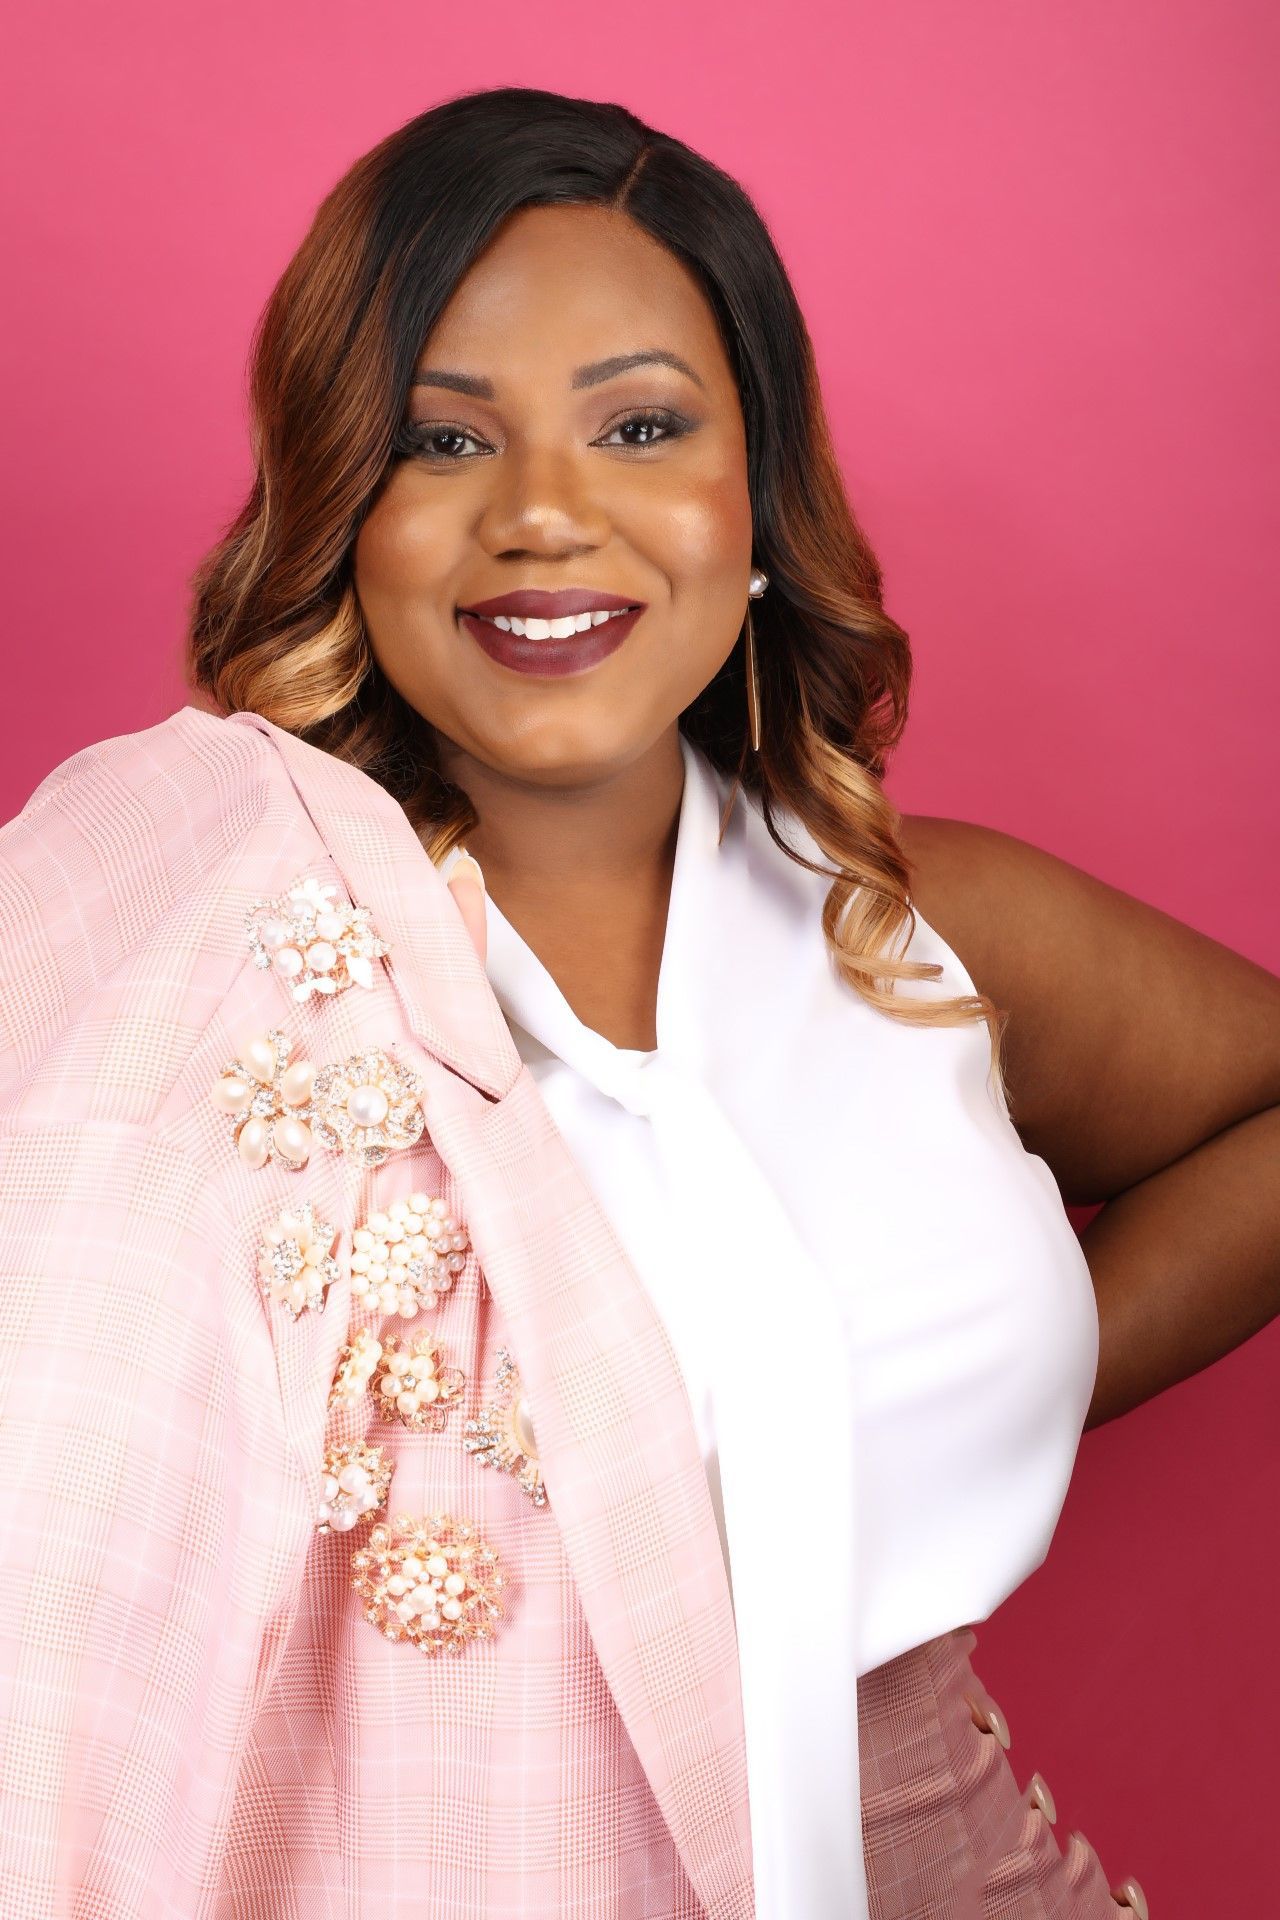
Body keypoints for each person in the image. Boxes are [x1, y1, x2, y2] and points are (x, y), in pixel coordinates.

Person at [2, 83, 1276, 1920]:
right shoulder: (184, 958)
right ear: (343, 508)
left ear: (753, 495)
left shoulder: (917, 938)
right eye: (444, 441)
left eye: (641, 424)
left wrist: (895, 1409)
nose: (543, 513)